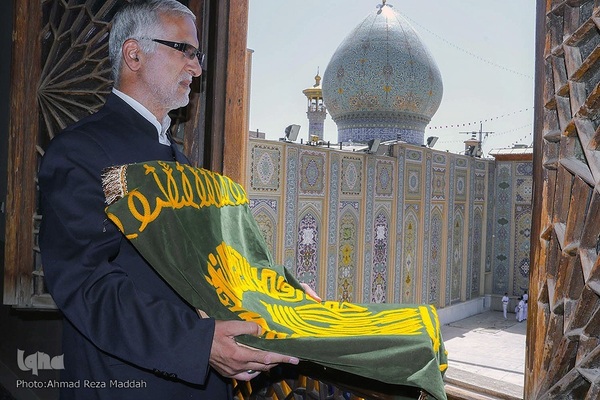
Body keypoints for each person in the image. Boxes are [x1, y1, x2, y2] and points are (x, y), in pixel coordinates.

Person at [38, 2, 301, 399]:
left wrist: (285, 297)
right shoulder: (80, 151)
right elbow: (88, 285)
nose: (196, 68)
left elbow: (216, 271)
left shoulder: (183, 164)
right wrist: (198, 344)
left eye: (198, 55)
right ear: (134, 54)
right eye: (185, 51)